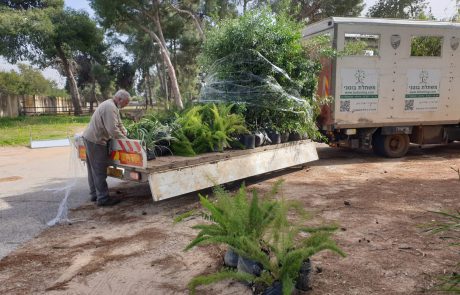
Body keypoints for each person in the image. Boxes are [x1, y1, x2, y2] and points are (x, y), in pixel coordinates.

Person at [82, 89, 130, 206]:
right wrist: (127, 143)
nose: (124, 107)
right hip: (96, 140)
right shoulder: (110, 107)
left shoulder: (111, 105)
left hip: (90, 138)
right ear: (119, 99)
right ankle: (103, 199)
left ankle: (95, 194)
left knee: (93, 169)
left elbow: (118, 123)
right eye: (125, 104)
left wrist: (124, 130)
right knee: (99, 171)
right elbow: (113, 130)